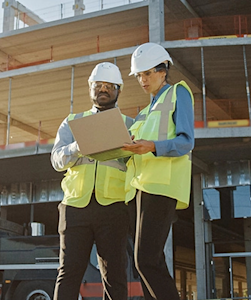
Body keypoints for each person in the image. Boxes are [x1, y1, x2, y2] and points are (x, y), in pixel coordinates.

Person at [51, 62, 136, 300]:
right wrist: (79, 147)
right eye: (99, 85)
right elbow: (56, 160)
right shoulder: (72, 122)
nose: (104, 89)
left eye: (109, 86)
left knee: (115, 275)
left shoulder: (130, 125)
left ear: (118, 90)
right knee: (68, 274)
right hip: (76, 207)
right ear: (90, 88)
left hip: (114, 207)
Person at [122, 43, 194, 300]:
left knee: (146, 260)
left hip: (162, 185)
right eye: (139, 75)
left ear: (163, 70)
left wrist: (152, 146)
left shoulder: (178, 93)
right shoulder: (142, 113)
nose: (142, 80)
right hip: (139, 189)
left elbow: (186, 142)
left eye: (148, 73)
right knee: (147, 262)